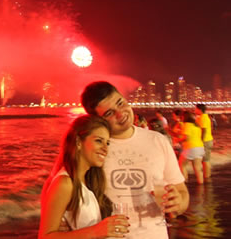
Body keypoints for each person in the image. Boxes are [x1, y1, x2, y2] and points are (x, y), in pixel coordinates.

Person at [80, 82, 189, 239]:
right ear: (97, 120)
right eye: (109, 113)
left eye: (120, 103)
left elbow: (182, 192)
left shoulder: (158, 140)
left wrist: (178, 203)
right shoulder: (91, 149)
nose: (121, 114)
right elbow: (60, 188)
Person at [39, 115, 130, 238]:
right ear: (78, 142)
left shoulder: (86, 182)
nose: (105, 149)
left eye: (107, 143)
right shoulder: (65, 183)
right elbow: (45, 237)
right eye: (98, 140)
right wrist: (97, 231)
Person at [177, 111, 204, 184]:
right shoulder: (196, 125)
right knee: (198, 168)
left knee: (182, 164)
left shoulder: (187, 125)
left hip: (191, 148)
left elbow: (186, 137)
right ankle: (201, 184)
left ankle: (184, 181)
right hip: (200, 147)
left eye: (182, 117)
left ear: (184, 117)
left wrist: (178, 140)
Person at [195, 103, 213, 180]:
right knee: (205, 159)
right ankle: (207, 175)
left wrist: (201, 141)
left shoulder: (203, 118)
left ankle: (207, 177)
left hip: (205, 141)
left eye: (195, 109)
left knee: (206, 160)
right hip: (208, 140)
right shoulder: (203, 117)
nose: (194, 110)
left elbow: (204, 130)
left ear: (199, 110)